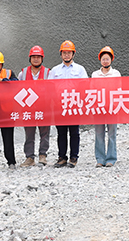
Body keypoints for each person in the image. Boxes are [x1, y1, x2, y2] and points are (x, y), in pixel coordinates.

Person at [48, 40, 88, 168]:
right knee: (61, 132)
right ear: (61, 54)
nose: (66, 55)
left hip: (74, 104)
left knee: (74, 132)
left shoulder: (80, 69)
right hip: (59, 105)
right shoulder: (55, 70)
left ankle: (73, 157)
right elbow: (49, 87)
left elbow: (85, 86)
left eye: (69, 53)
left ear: (73, 54)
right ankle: (62, 157)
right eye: (64, 53)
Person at [17, 45, 51, 166]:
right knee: (29, 134)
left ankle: (43, 155)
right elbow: (17, 89)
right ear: (30, 58)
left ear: (42, 58)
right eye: (33, 57)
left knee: (45, 133)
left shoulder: (48, 73)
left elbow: (53, 90)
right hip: (29, 109)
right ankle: (29, 157)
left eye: (38, 57)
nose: (36, 59)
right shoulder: (23, 73)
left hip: (44, 108)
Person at [92, 46, 120, 167]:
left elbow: (119, 90)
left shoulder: (116, 74)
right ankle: (100, 159)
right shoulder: (95, 74)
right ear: (100, 60)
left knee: (112, 134)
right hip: (99, 108)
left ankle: (111, 159)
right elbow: (92, 90)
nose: (105, 61)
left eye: (107, 59)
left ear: (111, 59)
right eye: (103, 59)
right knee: (99, 134)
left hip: (112, 108)